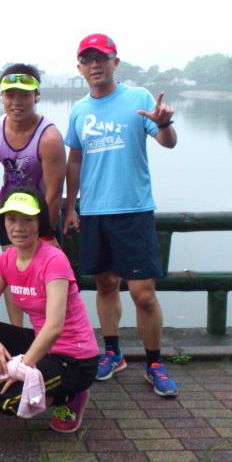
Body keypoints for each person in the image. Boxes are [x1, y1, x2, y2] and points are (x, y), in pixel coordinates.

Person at [63, 33, 179, 397]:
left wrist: (164, 124)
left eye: (102, 58)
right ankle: (112, 352)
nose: (95, 65)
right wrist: (70, 206)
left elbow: (168, 142)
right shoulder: (79, 110)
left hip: (133, 209)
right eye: (87, 59)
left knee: (143, 293)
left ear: (115, 61)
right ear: (80, 67)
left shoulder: (138, 98)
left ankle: (154, 362)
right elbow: (74, 159)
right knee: (105, 284)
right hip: (94, 211)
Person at [0, 190, 99, 433]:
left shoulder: (53, 260)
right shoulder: (7, 259)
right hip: (42, 345)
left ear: (40, 223)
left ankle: (71, 397)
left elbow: (54, 327)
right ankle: (6, 380)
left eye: (28, 220)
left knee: (2, 399)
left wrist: (22, 367)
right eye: (12, 219)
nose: (19, 227)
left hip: (74, 359)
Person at [0, 63, 66, 326]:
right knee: (13, 275)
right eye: (10, 95)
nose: (16, 102)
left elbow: (54, 192)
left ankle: (46, 334)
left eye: (24, 95)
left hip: (40, 216)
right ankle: (19, 335)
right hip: (9, 214)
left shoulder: (49, 137)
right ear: (1, 96)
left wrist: (45, 233)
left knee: (43, 277)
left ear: (36, 96)